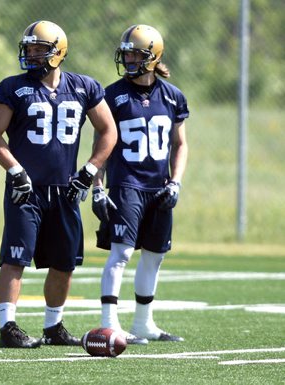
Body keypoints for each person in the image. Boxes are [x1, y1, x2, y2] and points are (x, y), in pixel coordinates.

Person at [0, 20, 117, 348]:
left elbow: (109, 131)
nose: (31, 55)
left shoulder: (84, 87)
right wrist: (14, 169)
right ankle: (8, 327)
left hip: (66, 189)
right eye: (28, 48)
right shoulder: (12, 88)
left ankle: (53, 326)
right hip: (25, 189)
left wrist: (90, 169)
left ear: (59, 52)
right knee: (15, 257)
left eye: (39, 49)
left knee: (64, 261)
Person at [93, 24, 189, 344]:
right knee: (121, 254)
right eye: (127, 53)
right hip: (127, 184)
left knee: (154, 255)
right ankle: (110, 323)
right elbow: (101, 145)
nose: (129, 59)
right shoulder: (113, 95)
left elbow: (181, 145)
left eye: (136, 54)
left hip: (159, 186)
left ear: (153, 57)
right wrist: (97, 187)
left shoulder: (173, 97)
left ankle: (143, 323)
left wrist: (175, 182)